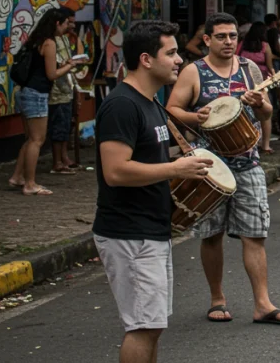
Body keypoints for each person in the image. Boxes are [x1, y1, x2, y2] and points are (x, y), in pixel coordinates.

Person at [166, 13, 280, 326]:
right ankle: (217, 298)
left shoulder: (250, 69)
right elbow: (172, 109)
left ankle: (263, 304)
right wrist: (194, 118)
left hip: (248, 163)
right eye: (222, 36)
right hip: (209, 168)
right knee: (211, 235)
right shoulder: (193, 72)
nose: (228, 42)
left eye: (232, 37)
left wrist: (259, 104)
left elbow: (266, 113)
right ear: (207, 40)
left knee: (255, 234)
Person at [93, 20, 213, 363]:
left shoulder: (150, 102)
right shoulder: (122, 105)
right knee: (143, 327)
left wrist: (184, 158)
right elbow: (115, 171)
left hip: (150, 230)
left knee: (152, 325)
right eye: (172, 53)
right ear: (146, 59)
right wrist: (176, 169)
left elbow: (149, 157)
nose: (180, 60)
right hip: (129, 232)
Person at [11, 7, 85, 196]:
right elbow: (51, 75)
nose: (66, 28)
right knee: (38, 139)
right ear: (56, 24)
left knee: (30, 139)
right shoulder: (50, 43)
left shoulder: (36, 40)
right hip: (37, 93)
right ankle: (30, 183)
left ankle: (17, 176)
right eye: (64, 24)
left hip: (26, 91)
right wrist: (69, 66)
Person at [47, 7, 81, 175]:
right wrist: (68, 65)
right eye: (69, 22)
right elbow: (55, 67)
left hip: (67, 87)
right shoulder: (51, 41)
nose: (72, 26)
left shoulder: (66, 39)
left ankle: (64, 157)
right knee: (58, 126)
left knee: (66, 125)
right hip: (57, 90)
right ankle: (57, 161)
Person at [238, 21, 276, 154]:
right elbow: (270, 66)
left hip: (242, 81)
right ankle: (265, 144)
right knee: (266, 114)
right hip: (261, 84)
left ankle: (248, 143)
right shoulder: (265, 46)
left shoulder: (242, 44)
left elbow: (235, 58)